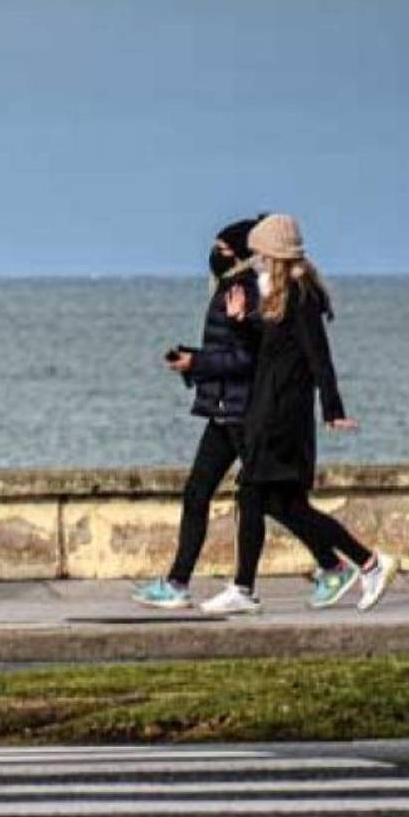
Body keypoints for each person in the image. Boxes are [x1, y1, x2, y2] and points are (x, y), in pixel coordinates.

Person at [199, 213, 396, 615]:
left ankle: (364, 564)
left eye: (258, 253)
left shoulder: (300, 294)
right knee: (271, 502)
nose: (253, 260)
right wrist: (240, 323)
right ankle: (252, 586)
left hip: (282, 417)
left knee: (262, 497)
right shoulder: (275, 292)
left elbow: (317, 356)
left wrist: (333, 407)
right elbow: (268, 350)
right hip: (266, 411)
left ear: (274, 253)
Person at [131, 215, 265, 610]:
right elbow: (227, 354)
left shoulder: (246, 292)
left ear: (240, 253)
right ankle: (178, 582)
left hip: (243, 413)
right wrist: (194, 362)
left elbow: (247, 358)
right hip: (222, 413)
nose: (215, 255)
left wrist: (197, 363)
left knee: (266, 501)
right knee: (197, 493)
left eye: (222, 250)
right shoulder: (227, 288)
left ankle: (327, 566)